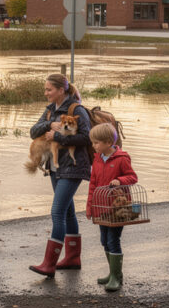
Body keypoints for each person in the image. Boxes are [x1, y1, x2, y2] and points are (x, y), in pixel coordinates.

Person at [28, 73, 92, 277]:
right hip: (55, 168)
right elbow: (33, 131)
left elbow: (86, 138)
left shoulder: (76, 109)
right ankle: (73, 258)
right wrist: (49, 125)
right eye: (45, 89)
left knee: (57, 212)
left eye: (49, 90)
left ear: (61, 90)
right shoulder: (50, 111)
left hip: (73, 167)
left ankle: (49, 264)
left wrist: (58, 136)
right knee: (68, 212)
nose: (46, 93)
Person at [85, 123, 137, 292]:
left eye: (96, 143)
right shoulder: (97, 158)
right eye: (93, 142)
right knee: (103, 241)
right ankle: (112, 272)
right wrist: (89, 206)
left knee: (112, 240)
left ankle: (116, 277)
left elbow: (132, 177)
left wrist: (120, 181)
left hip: (117, 209)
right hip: (101, 207)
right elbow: (93, 184)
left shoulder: (122, 158)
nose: (93, 146)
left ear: (108, 142)